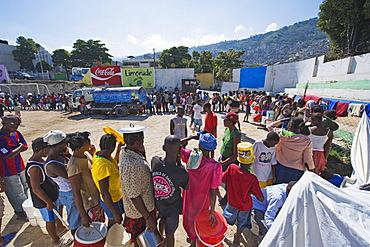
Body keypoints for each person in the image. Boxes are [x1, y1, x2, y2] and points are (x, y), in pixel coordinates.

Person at [26, 137, 73, 247]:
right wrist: (48, 202)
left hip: (52, 195)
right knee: (49, 220)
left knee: (59, 208)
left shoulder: (40, 160)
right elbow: (36, 189)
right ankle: (56, 240)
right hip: (44, 200)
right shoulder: (34, 168)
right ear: (43, 150)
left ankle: (60, 225)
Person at [180, 132, 222, 247]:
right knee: (199, 220)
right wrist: (212, 211)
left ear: (200, 144)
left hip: (189, 196)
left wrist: (192, 137)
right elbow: (213, 191)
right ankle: (194, 241)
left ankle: (192, 239)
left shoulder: (190, 156)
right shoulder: (215, 167)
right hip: (204, 200)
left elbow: (176, 144)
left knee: (189, 218)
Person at [119, 127, 156, 246]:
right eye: (142, 140)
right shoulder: (132, 165)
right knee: (142, 241)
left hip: (142, 210)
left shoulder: (127, 151)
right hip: (139, 213)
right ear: (137, 142)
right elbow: (134, 196)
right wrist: (148, 218)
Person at [222, 142, 264, 246]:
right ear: (251, 161)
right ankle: (236, 241)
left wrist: (233, 186)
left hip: (232, 202)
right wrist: (250, 192)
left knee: (225, 220)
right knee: (241, 224)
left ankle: (220, 236)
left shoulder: (231, 167)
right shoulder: (252, 179)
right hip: (245, 206)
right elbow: (261, 198)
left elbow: (223, 179)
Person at [151, 135, 188, 247]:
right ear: (179, 152)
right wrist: (179, 163)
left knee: (161, 221)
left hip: (159, 204)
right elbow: (185, 187)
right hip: (173, 208)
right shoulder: (182, 173)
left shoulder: (155, 161)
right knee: (170, 233)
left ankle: (160, 239)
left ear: (163, 148)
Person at [44, 130, 82, 236]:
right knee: (75, 220)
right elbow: (72, 176)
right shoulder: (52, 164)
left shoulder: (59, 155)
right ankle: (77, 238)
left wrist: (68, 154)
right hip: (69, 194)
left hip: (71, 192)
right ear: (60, 144)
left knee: (77, 216)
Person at [67, 132, 104, 227]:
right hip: (90, 204)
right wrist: (83, 215)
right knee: (95, 229)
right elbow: (76, 192)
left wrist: (93, 154)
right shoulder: (74, 165)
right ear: (82, 145)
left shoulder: (85, 156)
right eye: (88, 143)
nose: (90, 144)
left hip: (96, 200)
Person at [267, 117, 315, 184]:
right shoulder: (306, 140)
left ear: (290, 125)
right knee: (291, 191)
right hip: (297, 170)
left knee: (278, 189)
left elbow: (269, 126)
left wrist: (282, 120)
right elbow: (308, 159)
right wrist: (312, 169)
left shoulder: (282, 134)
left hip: (280, 166)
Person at [91, 134, 124, 228]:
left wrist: (118, 150)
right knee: (113, 223)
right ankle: (111, 240)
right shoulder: (103, 166)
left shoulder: (100, 154)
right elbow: (104, 192)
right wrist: (115, 213)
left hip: (115, 197)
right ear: (112, 147)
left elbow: (113, 163)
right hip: (112, 200)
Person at [0, 114, 28, 220]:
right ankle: (20, 212)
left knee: (25, 188)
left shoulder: (16, 133)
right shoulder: (1, 138)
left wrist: (17, 149)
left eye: (17, 126)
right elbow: (7, 155)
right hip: (8, 171)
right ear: (4, 124)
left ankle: (26, 208)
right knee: (16, 192)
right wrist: (19, 146)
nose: (15, 128)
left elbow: (25, 146)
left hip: (20, 166)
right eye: (13, 126)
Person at [218, 112, 241, 206]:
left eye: (226, 120)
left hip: (230, 161)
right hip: (223, 158)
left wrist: (223, 163)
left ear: (231, 122)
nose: (224, 121)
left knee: (229, 181)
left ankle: (226, 198)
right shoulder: (227, 130)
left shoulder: (236, 136)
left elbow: (235, 155)